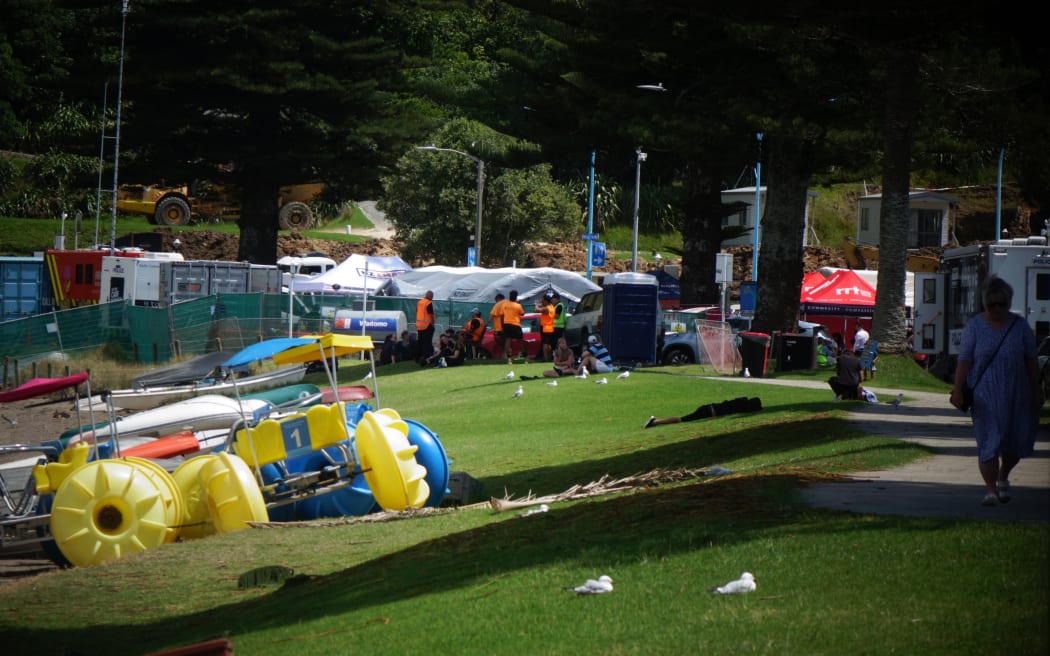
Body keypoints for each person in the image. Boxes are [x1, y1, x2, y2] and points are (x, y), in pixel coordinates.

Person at [950, 276, 1042, 507]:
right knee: (988, 441)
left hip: (1017, 393)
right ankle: (991, 489)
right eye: (992, 305)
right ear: (985, 304)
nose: (998, 309)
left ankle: (1003, 475)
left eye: (1002, 304)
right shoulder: (975, 326)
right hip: (985, 393)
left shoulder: (1019, 326)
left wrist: (1036, 390)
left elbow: (1031, 360)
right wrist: (957, 389)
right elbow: (964, 360)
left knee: (1015, 442)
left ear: (1009, 303)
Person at [645, 397, 762, 428]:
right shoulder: (741, 406)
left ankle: (655, 421)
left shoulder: (740, 402)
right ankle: (655, 421)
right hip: (708, 412)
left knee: (683, 418)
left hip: (708, 408)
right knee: (682, 419)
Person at [501, 289, 525, 365]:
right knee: (520, 342)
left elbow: (502, 315)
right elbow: (522, 313)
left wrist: (502, 325)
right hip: (515, 324)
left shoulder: (505, 305)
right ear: (516, 297)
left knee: (507, 341)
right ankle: (526, 358)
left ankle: (509, 359)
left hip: (506, 324)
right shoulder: (518, 305)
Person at [415, 290, 436, 364]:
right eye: (432, 296)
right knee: (427, 343)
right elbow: (431, 315)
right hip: (427, 326)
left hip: (419, 326)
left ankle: (417, 358)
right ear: (430, 296)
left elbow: (417, 312)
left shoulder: (419, 302)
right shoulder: (428, 303)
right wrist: (432, 324)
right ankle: (425, 358)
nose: (432, 298)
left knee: (420, 342)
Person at [535, 294, 556, 362]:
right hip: (551, 327)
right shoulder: (552, 307)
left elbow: (536, 310)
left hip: (545, 327)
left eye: (543, 301)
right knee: (548, 344)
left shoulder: (546, 308)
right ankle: (549, 356)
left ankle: (546, 358)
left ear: (546, 301)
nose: (542, 302)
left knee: (545, 344)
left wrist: (537, 303)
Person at [489, 292, 506, 357]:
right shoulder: (508, 303)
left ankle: (504, 354)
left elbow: (492, 315)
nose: (495, 302)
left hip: (499, 328)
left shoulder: (497, 304)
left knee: (501, 341)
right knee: (506, 341)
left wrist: (486, 323)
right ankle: (505, 355)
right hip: (507, 326)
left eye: (496, 300)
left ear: (498, 299)